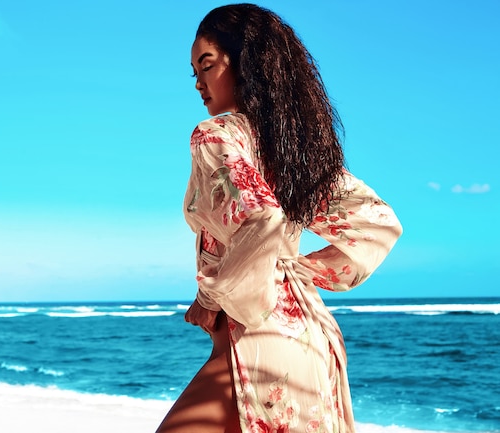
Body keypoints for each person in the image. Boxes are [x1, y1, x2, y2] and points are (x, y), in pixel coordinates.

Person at [156, 4, 402, 433]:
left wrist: (212, 298)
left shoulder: (215, 134)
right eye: (194, 71)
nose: (198, 82)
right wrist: (298, 273)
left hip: (259, 339)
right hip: (311, 341)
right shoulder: (293, 153)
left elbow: (261, 217)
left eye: (207, 65)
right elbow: (377, 224)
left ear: (245, 62)